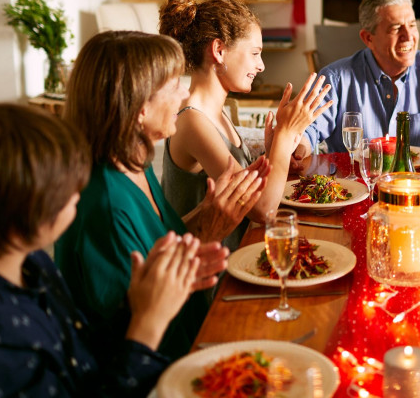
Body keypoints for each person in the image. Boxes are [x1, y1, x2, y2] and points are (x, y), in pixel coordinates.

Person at [56, 30, 270, 359]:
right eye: (173, 86)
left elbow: (157, 245)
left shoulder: (133, 165)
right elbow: (136, 330)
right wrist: (211, 227)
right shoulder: (105, 204)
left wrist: (209, 213)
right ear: (139, 107)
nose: (185, 95)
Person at [0, 104, 201, 398]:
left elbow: (85, 352)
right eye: (66, 187)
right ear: (21, 205)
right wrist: (147, 326)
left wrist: (141, 301)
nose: (79, 192)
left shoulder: (34, 265)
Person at [158, 0, 332, 250]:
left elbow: (248, 189)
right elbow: (262, 210)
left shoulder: (215, 113)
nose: (261, 65)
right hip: (213, 280)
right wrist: (284, 136)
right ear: (219, 50)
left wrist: (275, 152)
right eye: (254, 53)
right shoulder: (192, 121)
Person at [296, 0, 420, 167]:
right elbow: (309, 130)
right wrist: (299, 149)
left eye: (412, 25)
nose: (409, 36)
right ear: (368, 38)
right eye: (396, 28)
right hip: (354, 186)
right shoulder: (335, 78)